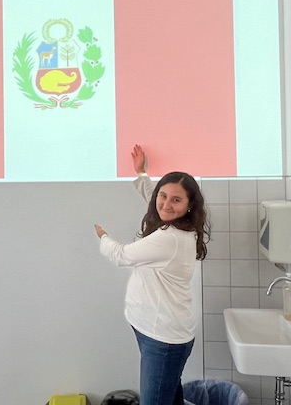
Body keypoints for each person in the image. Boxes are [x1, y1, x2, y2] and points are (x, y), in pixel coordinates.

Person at [94, 144, 210, 405]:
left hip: (162, 338)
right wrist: (142, 173)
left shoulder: (170, 238)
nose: (166, 204)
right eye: (163, 196)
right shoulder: (182, 226)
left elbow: (121, 255)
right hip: (155, 331)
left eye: (176, 200)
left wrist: (103, 236)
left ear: (189, 205)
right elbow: (156, 200)